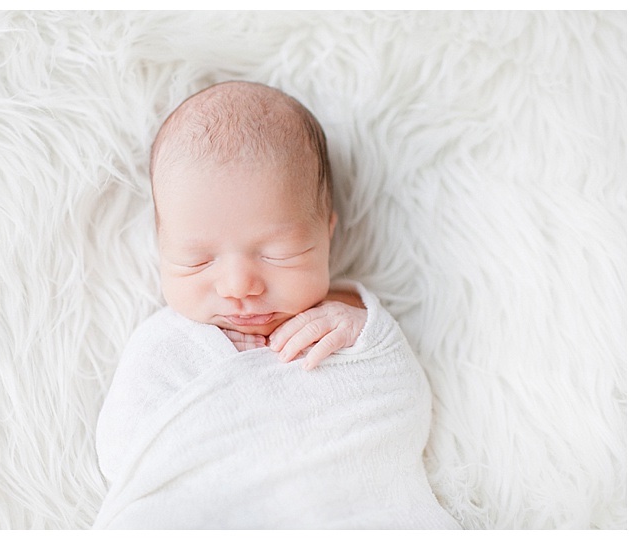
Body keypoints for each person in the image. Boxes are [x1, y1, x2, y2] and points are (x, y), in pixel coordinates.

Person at [92, 81, 461, 529]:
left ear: (327, 233)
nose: (238, 285)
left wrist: (361, 330)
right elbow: (124, 455)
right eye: (197, 260)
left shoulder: (351, 325)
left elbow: (401, 403)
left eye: (277, 253)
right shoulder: (164, 344)